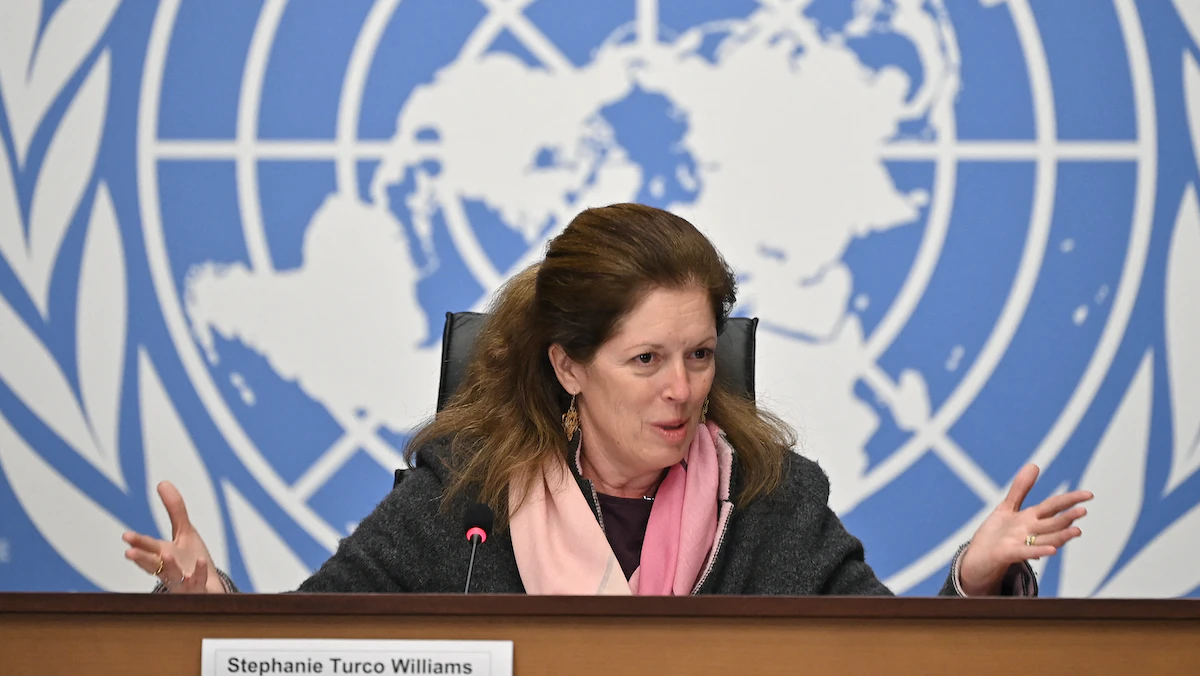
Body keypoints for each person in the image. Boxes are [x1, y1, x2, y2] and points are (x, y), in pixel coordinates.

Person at [122, 203, 1091, 596]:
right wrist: (207, 602)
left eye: (701, 355)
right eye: (647, 360)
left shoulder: (770, 496)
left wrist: (972, 583)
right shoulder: (465, 495)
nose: (684, 390)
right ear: (569, 367)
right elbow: (317, 644)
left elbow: (880, 660)